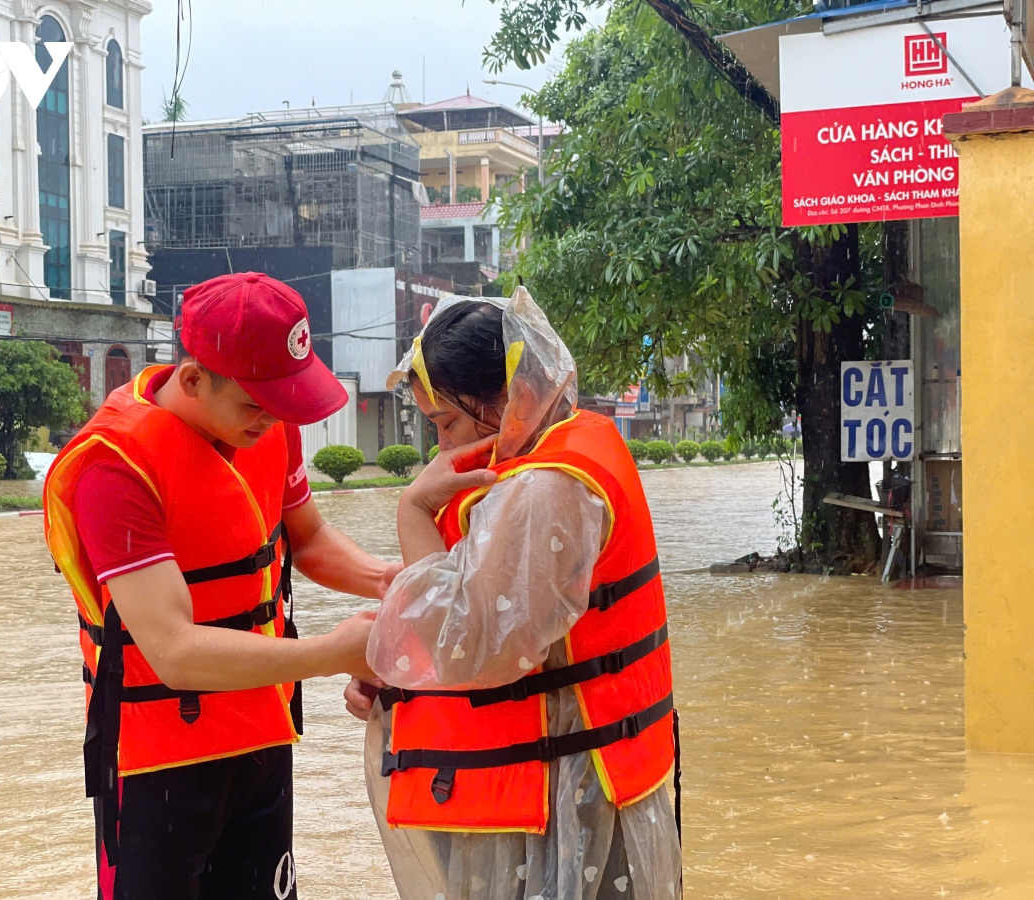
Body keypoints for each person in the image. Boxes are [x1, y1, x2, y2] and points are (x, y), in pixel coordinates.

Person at [44, 273, 396, 900]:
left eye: (283, 401)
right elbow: (174, 651)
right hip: (159, 758)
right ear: (193, 379)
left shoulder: (268, 425)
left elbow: (307, 539)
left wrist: (390, 583)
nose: (272, 418)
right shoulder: (114, 467)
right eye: (255, 402)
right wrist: (333, 653)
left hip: (261, 729)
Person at [346, 288, 681, 899]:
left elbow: (469, 645)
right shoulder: (564, 452)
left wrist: (415, 510)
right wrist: (396, 660)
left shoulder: (546, 488)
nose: (442, 448)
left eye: (447, 423)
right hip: (549, 793)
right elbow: (478, 605)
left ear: (511, 399)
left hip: (565, 800)